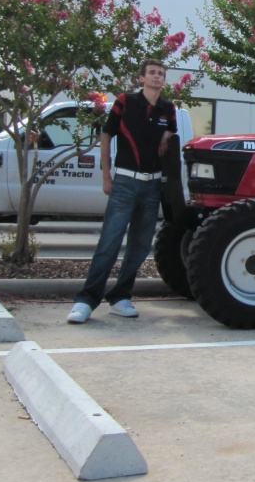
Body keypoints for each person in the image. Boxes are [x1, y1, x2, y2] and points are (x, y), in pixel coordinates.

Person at [67, 59, 176, 324]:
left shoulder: (168, 108)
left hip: (152, 185)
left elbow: (170, 133)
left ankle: (120, 297)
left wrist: (167, 135)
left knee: (139, 247)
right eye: (152, 73)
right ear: (141, 78)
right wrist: (106, 175)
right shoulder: (125, 102)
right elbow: (106, 136)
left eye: (161, 74)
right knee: (109, 243)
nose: (157, 77)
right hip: (125, 182)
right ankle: (86, 300)